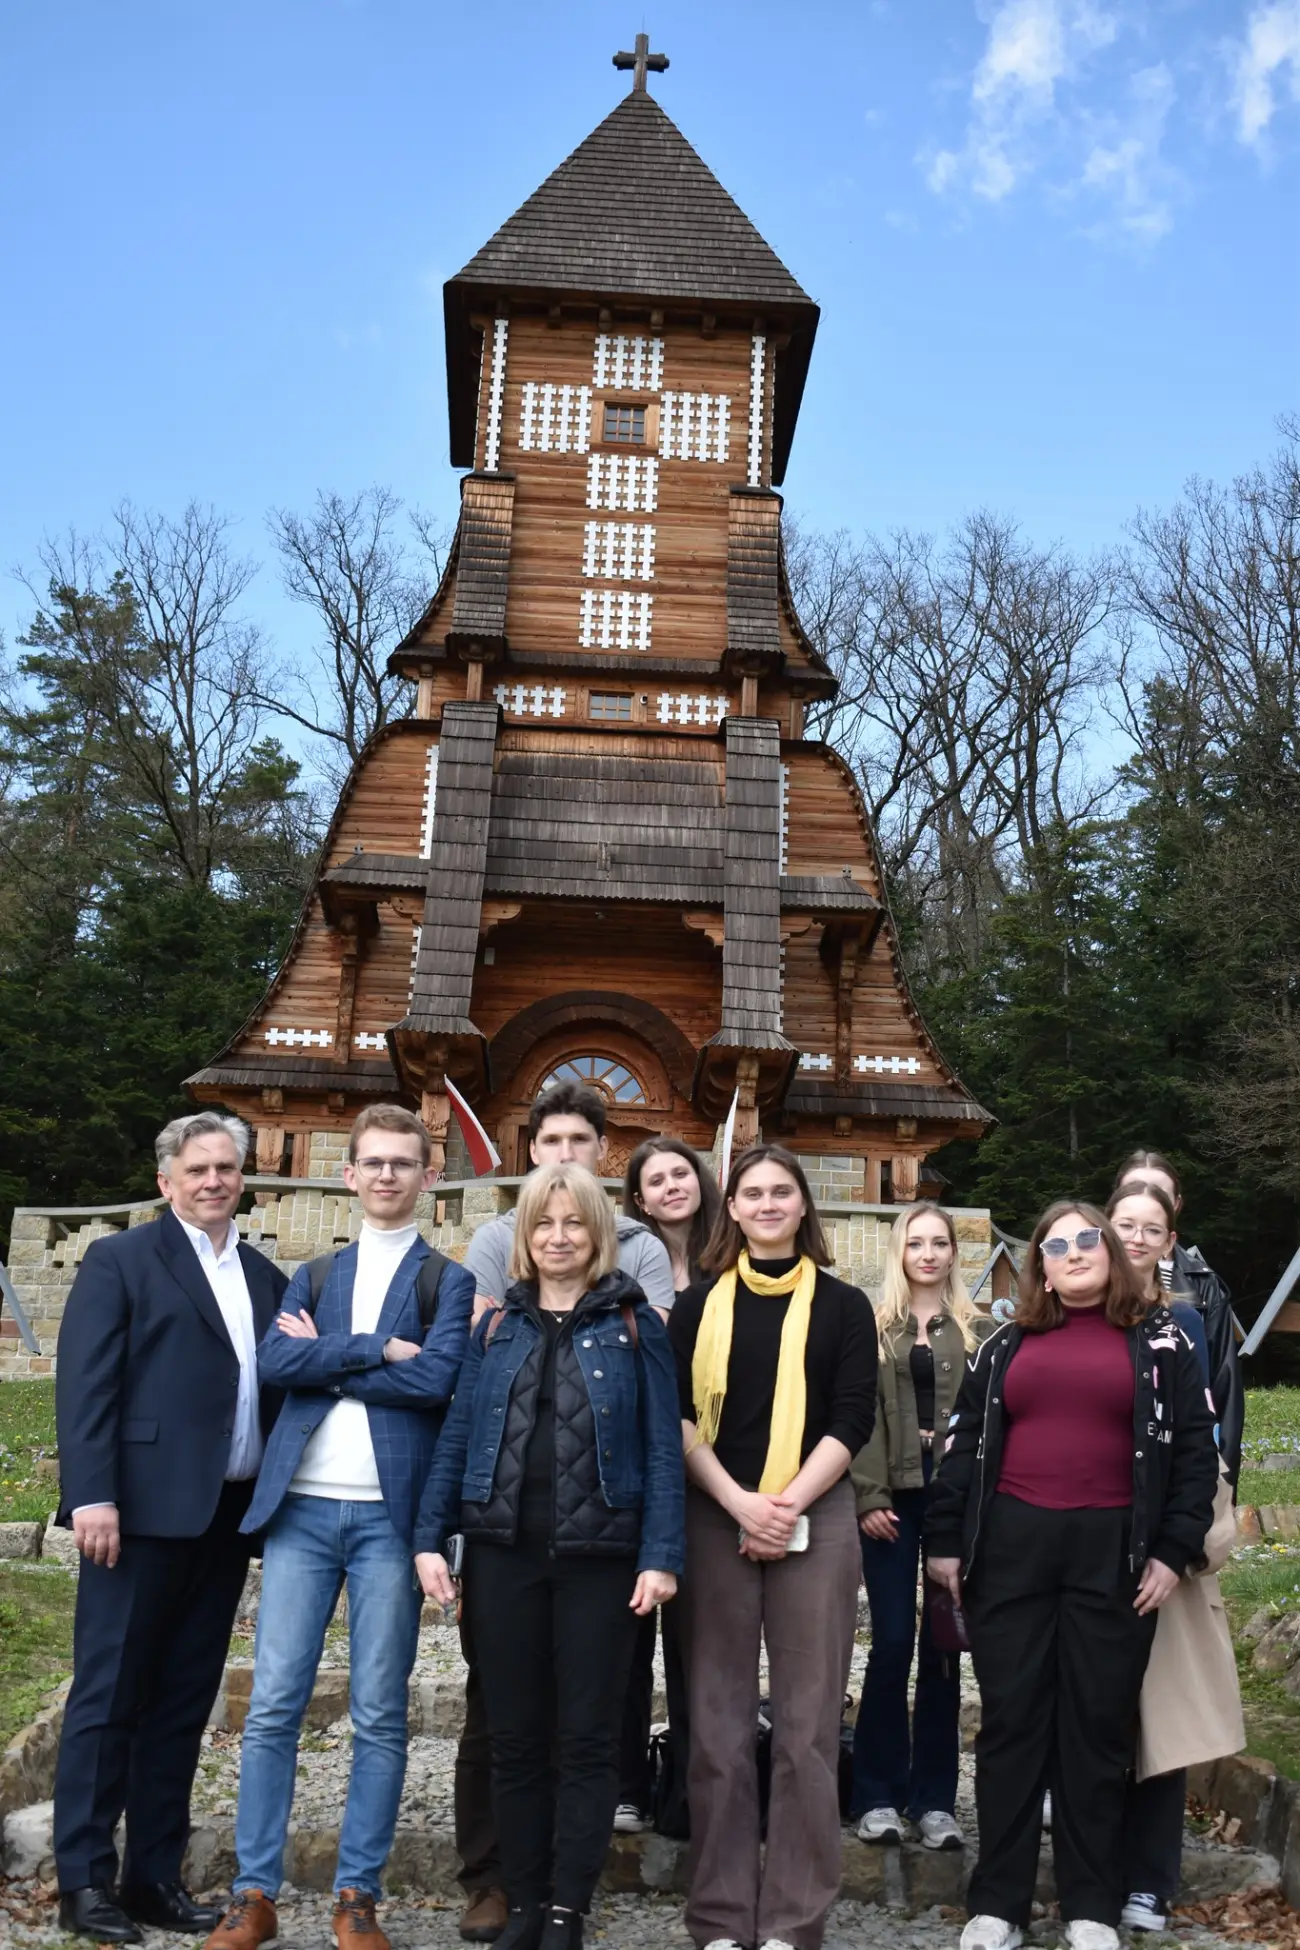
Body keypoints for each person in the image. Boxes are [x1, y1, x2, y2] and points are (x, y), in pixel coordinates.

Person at [201, 1105, 473, 1950]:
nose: (387, 1175)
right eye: (372, 1163)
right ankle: (255, 1894)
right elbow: (279, 1362)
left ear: (430, 1178)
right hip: (303, 1514)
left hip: (391, 1519)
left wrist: (343, 1358)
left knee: (380, 1712)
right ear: (349, 1175)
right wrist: (379, 1351)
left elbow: (438, 1382)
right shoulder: (313, 1275)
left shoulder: (447, 1281)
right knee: (276, 1703)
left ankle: (359, 1895)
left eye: (403, 1163)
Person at [925, 1201, 1219, 1950]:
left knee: (1094, 1734)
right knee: (1013, 1727)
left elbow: (1193, 1455)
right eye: (1055, 1245)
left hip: (1114, 1560)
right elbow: (961, 1451)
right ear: (1042, 1270)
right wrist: (946, 1543)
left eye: (1088, 1237)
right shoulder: (1003, 1345)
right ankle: (999, 1903)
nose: (1074, 1251)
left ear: (1111, 1252)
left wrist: (1172, 1551)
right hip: (1012, 1556)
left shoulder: (1162, 1344)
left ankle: (1091, 1905)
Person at [415, 1162, 684, 1950]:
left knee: (590, 1738)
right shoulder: (494, 1327)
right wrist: (431, 1539)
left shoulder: (637, 1327)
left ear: (598, 1233)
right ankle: (524, 1900)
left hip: (604, 1561)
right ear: (523, 1238)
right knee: (517, 1736)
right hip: (504, 1558)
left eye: (573, 1223)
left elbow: (663, 1450)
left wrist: (660, 1555)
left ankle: (568, 1906)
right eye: (543, 1224)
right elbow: (458, 1436)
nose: (558, 1237)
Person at [52, 1113, 287, 1944]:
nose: (214, 1181)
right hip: (137, 1514)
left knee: (183, 1703)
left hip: (226, 1517)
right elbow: (86, 1383)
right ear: (166, 1181)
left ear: (243, 1179)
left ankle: (152, 1874)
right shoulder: (120, 1260)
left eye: (227, 1167)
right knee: (109, 1696)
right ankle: (80, 1881)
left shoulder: (264, 1275)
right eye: (198, 1169)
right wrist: (91, 1496)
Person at [668, 1143, 878, 1950]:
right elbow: (679, 1416)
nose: (765, 1204)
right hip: (715, 1510)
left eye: (780, 1192)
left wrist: (786, 1503)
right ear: (733, 1209)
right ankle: (722, 1918)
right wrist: (738, 1502)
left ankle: (794, 1920)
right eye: (751, 1192)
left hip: (815, 1512)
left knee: (807, 1728)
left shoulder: (843, 1306)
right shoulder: (695, 1307)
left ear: (802, 1206)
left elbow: (852, 1417)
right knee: (717, 1727)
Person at [1105, 1179, 1232, 1935]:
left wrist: (1182, 1539)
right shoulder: (1071, 1311)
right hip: (1088, 1539)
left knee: (1160, 1718)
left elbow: (1205, 1437)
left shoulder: (1185, 1324)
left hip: (1162, 1546)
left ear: (1170, 1241)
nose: (1138, 1238)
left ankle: (1150, 1878)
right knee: (1095, 1713)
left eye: (1153, 1227)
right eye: (1125, 1223)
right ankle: (1097, 1865)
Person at [850, 1201, 992, 1852]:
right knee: (891, 1644)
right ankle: (877, 1793)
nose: (929, 1253)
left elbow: (986, 1428)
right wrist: (870, 1493)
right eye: (916, 1243)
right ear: (900, 1254)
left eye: (939, 1243)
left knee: (942, 1649)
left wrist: (965, 1511)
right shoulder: (873, 1328)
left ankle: (935, 1800)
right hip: (889, 1502)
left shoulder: (977, 1332)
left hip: (950, 1504)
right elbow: (862, 1415)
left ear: (953, 1255)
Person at [615, 1138, 721, 1835]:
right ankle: (624, 1784)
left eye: (681, 1172)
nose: (671, 1186)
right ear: (639, 1198)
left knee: (699, 1640)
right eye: (655, 1179)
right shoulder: (625, 1261)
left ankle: (691, 1788)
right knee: (627, 1634)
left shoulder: (734, 1259)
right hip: (639, 1462)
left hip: (714, 1470)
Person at [1111, 1149, 1242, 1487]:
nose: (1145, 1197)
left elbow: (1222, 1389)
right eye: (1134, 1189)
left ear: (1175, 1207)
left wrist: (1223, 1485)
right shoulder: (1083, 1281)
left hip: (1178, 1458)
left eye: (1158, 1193)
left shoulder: (1203, 1286)